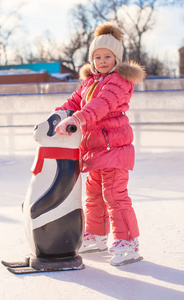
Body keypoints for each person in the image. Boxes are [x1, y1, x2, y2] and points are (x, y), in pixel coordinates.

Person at [55, 21, 146, 266]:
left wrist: (77, 119)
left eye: (108, 56)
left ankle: (128, 242)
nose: (102, 61)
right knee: (94, 196)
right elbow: (74, 102)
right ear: (92, 59)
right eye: (97, 57)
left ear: (116, 58)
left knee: (115, 196)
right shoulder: (89, 82)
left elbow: (99, 106)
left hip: (114, 149)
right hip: (94, 151)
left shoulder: (118, 81)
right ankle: (96, 235)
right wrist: (56, 117)